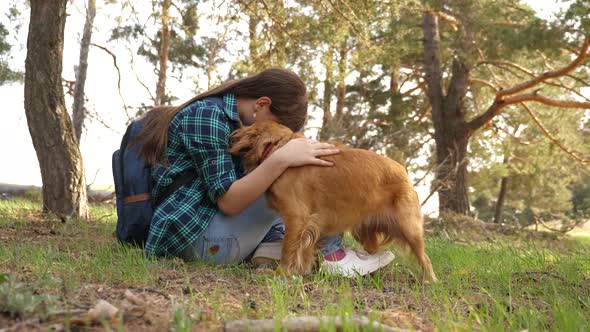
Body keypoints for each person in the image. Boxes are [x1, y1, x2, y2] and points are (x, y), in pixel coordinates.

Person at [136, 68, 394, 277]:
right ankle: (333, 257)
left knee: (301, 181)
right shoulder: (207, 116)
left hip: (213, 233)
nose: (279, 139)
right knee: (302, 188)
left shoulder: (230, 120)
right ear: (261, 104)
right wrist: (282, 159)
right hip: (194, 242)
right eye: (280, 130)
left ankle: (272, 247)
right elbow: (228, 201)